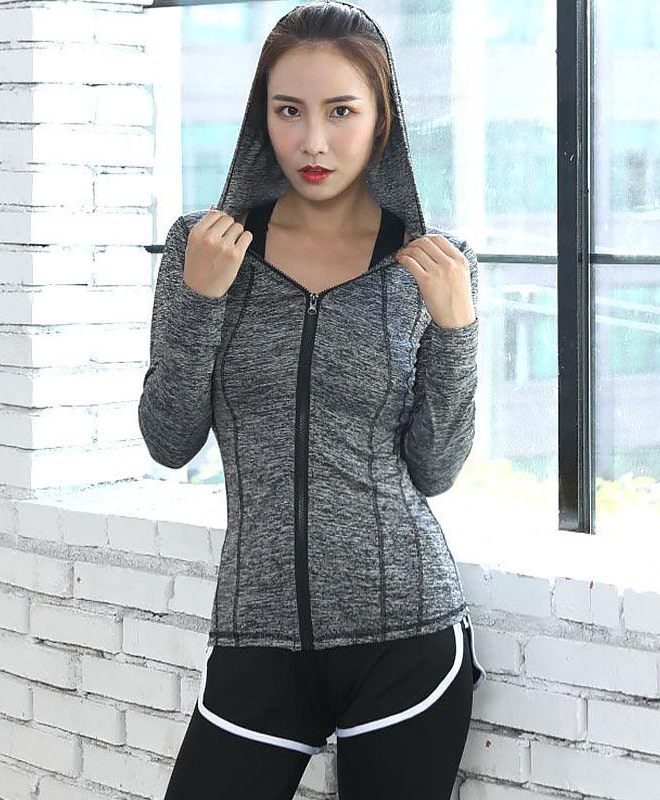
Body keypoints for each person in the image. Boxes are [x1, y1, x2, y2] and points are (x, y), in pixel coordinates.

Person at [138, 1, 486, 797]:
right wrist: (201, 301)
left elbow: (436, 468)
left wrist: (456, 329)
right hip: (256, 634)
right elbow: (169, 439)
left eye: (341, 111)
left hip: (407, 633)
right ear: (261, 118)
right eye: (289, 111)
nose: (314, 142)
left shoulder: (434, 265)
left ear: (382, 119)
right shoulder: (204, 247)